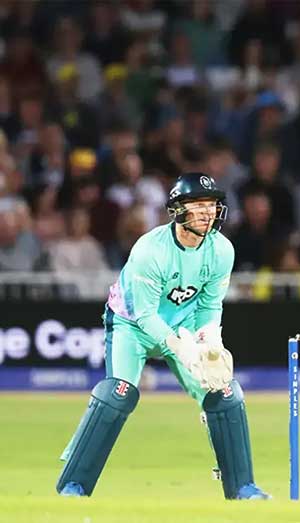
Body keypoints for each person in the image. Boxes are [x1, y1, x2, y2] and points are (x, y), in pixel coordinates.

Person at [56, 173, 270, 500]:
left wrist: (210, 339)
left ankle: (243, 488)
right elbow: (144, 315)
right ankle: (74, 485)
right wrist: (179, 348)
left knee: (225, 392)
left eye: (211, 205)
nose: (207, 212)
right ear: (177, 210)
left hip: (184, 325)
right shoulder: (150, 250)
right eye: (198, 206)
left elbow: (209, 305)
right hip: (131, 326)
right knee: (118, 394)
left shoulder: (221, 250)